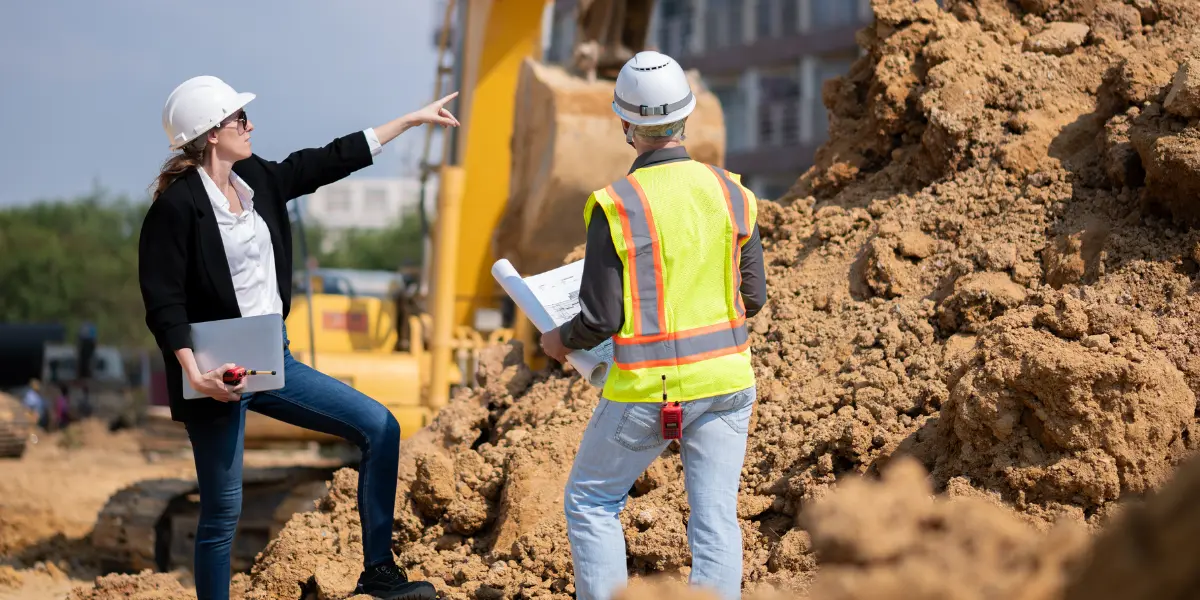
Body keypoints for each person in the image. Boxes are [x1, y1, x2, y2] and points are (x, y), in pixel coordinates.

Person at [138, 75, 459, 600]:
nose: (250, 125)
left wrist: (407, 121)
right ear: (212, 132)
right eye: (240, 118)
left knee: (381, 426)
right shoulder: (176, 208)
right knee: (222, 511)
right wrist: (195, 373)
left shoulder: (257, 180)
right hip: (218, 373)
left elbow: (328, 160)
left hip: (272, 358)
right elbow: (163, 301)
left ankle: (379, 572)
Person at [540, 51, 767, 600]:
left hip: (652, 390)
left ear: (625, 124)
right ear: (686, 117)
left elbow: (600, 317)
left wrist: (558, 340)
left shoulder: (616, 205)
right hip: (729, 383)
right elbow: (754, 298)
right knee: (715, 517)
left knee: (592, 500)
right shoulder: (733, 192)